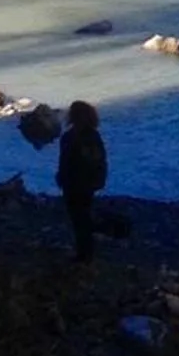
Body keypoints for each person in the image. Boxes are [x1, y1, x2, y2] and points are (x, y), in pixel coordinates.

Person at [56, 99, 108, 261]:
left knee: (77, 218)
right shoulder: (94, 135)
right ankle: (87, 250)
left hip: (73, 183)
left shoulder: (69, 137)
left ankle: (83, 254)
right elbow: (101, 159)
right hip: (90, 182)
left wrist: (60, 178)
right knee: (84, 213)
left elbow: (65, 162)